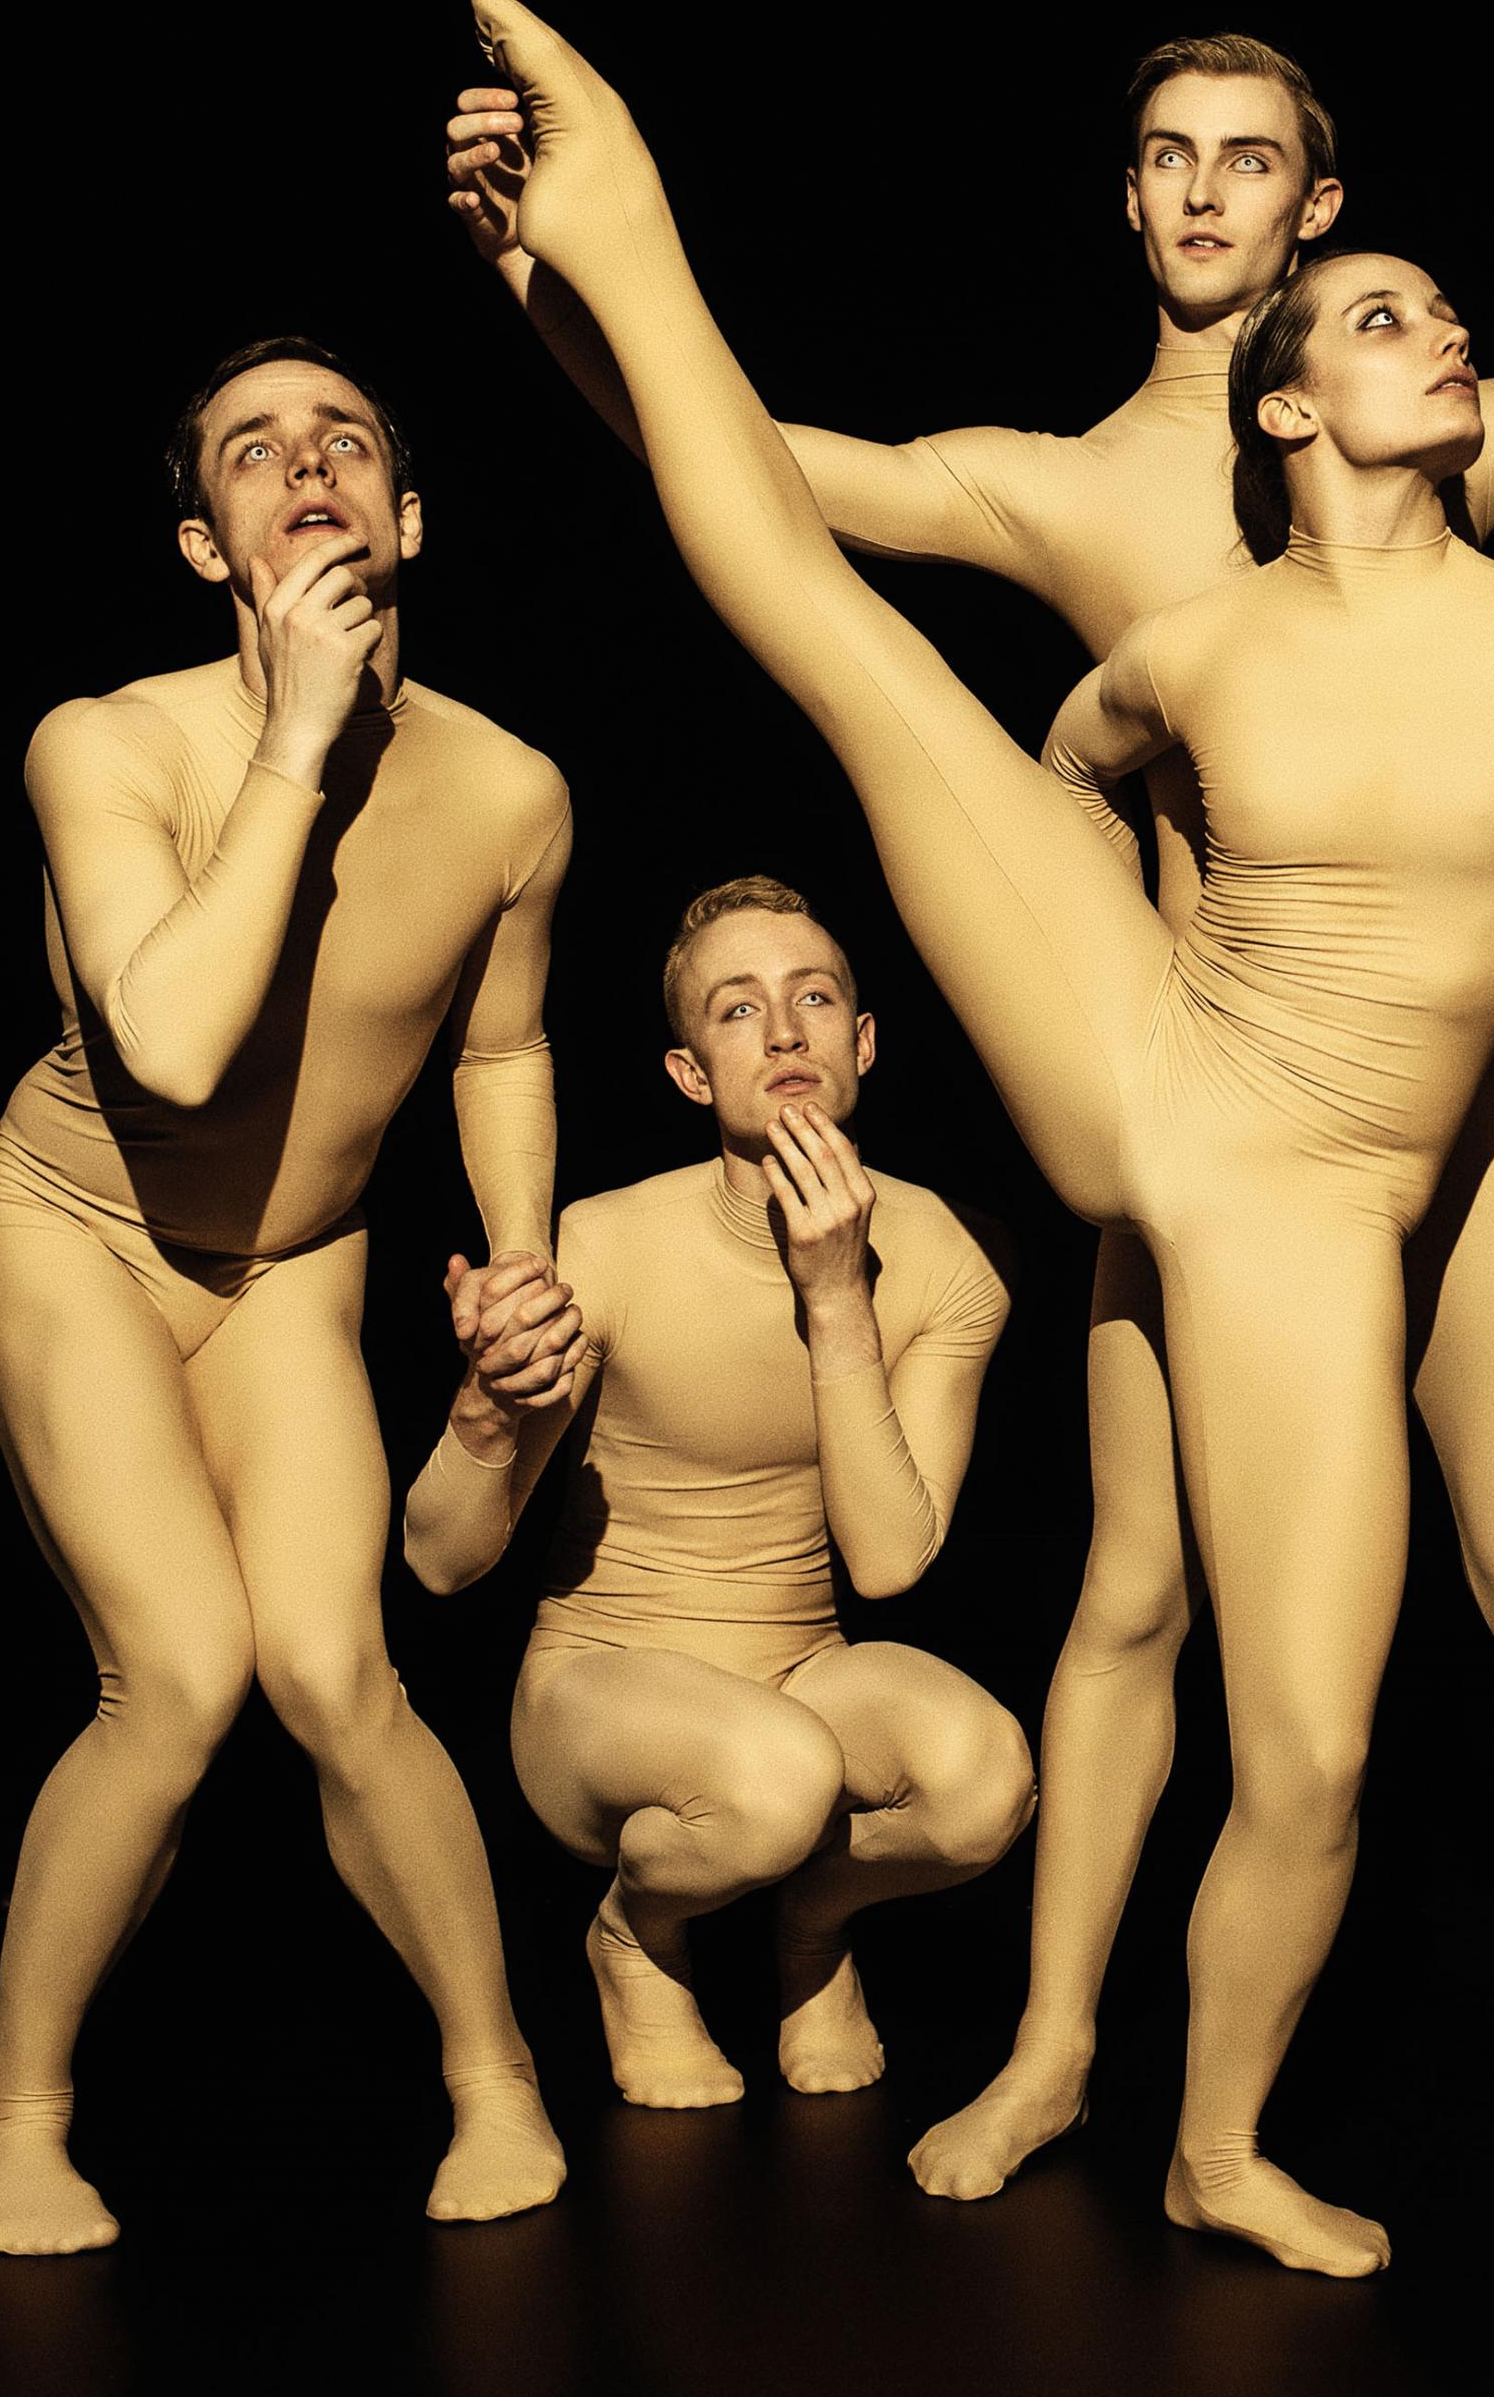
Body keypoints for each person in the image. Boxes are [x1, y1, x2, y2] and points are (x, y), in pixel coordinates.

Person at [442, 31, 1494, 2195]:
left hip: (1411, 1138)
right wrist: (546, 279)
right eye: (1168, 156)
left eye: (1253, 162)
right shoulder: (1100, 521)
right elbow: (762, 483)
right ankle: (1057, 2055)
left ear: (1315, 203)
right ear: (1146, 218)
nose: (1207, 193)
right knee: (1134, 1596)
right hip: (1177, 1067)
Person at [0, 337, 576, 2253]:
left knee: (334, 1670)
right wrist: (296, 740)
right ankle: (15, 2115)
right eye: (252, 451)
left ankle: (496, 2078)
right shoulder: (106, 746)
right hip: (77, 1234)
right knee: (181, 1678)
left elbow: (498, 1046)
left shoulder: (509, 790)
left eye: (345, 440)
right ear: (206, 545)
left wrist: (520, 1253)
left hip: (295, 1267)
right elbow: (176, 1046)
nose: (306, 465)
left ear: (409, 518)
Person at [399, 877, 1037, 2110]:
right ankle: (635, 1934)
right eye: (738, 1010)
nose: (784, 1031)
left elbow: (889, 1563)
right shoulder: (605, 1243)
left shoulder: (951, 1259)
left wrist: (837, 1294)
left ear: (862, 1043)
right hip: (599, 1685)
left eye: (814, 999)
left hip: (799, 1670)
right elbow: (437, 1562)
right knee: (780, 1777)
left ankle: (813, 1927)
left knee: (985, 1783)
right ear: (692, 1076)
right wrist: (484, 1408)